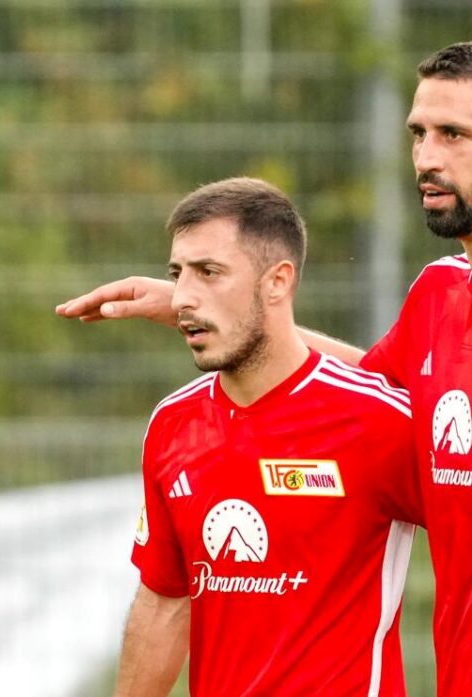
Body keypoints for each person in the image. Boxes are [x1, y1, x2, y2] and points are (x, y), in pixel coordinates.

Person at [59, 42, 472, 696]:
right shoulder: (437, 294)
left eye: (454, 134)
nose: (427, 158)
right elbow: (358, 383)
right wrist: (200, 309)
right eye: (419, 134)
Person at [114, 177, 424, 696]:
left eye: (209, 273)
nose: (183, 298)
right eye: (177, 274)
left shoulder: (378, 419)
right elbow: (165, 601)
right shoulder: (173, 424)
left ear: (278, 281)